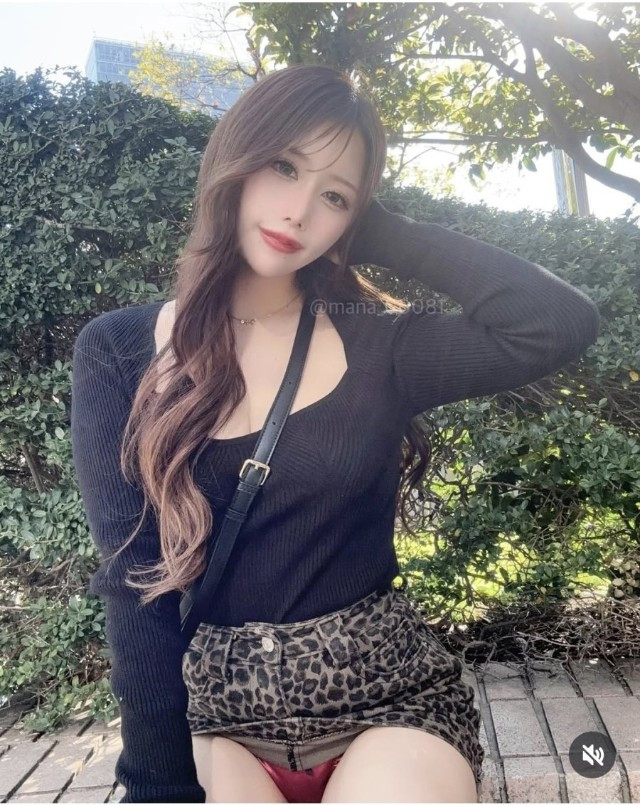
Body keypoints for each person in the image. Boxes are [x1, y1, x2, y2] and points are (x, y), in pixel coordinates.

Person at [70, 64, 601, 803]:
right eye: (284, 167)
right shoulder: (120, 349)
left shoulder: (381, 346)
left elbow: (557, 322)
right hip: (216, 718)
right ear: (236, 158)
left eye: (335, 195)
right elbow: (135, 582)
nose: (298, 212)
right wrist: (158, 785)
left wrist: (385, 231)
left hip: (388, 705)